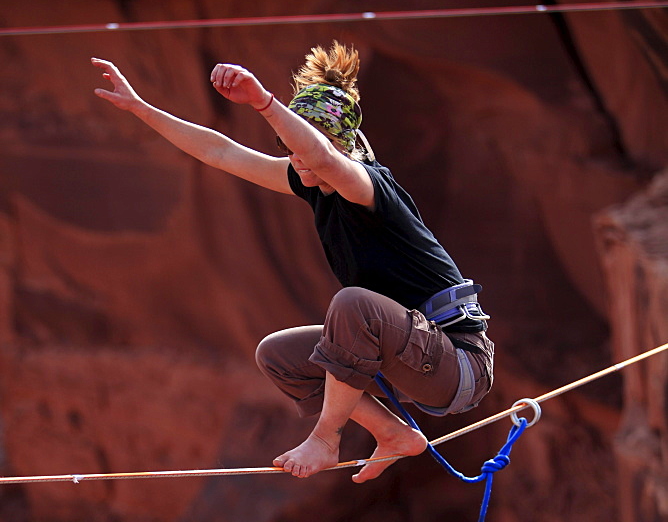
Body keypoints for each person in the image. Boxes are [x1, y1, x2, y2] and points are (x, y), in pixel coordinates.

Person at [92, 42, 493, 483]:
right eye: (287, 148)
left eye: (302, 147)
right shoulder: (307, 178)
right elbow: (221, 153)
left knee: (353, 305)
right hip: (413, 357)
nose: (297, 162)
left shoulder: (365, 185)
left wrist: (263, 101)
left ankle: (325, 438)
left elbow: (321, 156)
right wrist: (142, 109)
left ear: (338, 146)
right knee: (279, 355)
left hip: (459, 363)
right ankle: (395, 436)